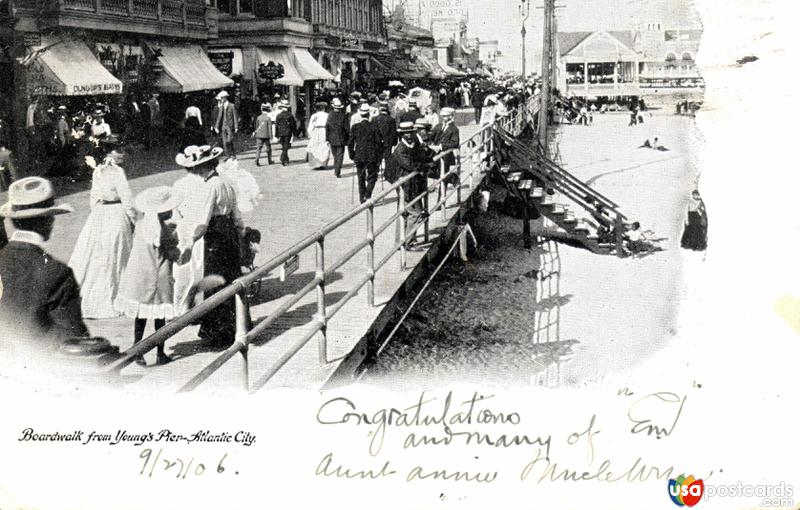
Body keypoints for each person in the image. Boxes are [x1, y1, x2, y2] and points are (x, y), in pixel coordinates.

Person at [0, 177, 89, 345]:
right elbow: (73, 339)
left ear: (12, 219)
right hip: (40, 362)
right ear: (48, 220)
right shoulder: (57, 272)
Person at [175, 145, 243, 346]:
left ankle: (218, 332)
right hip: (229, 231)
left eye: (197, 167)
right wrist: (240, 232)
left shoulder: (210, 186)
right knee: (231, 276)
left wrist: (190, 243)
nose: (195, 171)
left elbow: (203, 221)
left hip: (216, 234)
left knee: (215, 279)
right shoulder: (226, 182)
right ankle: (235, 324)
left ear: (203, 167)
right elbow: (236, 214)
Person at [114, 186, 182, 366]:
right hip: (158, 277)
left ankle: (138, 351)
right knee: (160, 318)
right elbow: (173, 253)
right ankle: (160, 353)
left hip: (139, 277)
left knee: (141, 317)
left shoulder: (141, 226)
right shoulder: (165, 231)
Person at [68, 150, 136, 319]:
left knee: (97, 256)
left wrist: (97, 216)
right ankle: (113, 299)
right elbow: (126, 198)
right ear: (111, 155)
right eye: (119, 152)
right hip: (115, 212)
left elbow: (94, 196)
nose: (123, 155)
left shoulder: (98, 170)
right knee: (116, 255)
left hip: (100, 213)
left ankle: (92, 299)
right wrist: (135, 219)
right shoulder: (118, 172)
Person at [390, 121, 426, 250]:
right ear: (401, 135)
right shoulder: (400, 150)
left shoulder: (411, 146)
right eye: (406, 133)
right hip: (406, 186)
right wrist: (423, 166)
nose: (409, 135)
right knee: (415, 213)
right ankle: (407, 242)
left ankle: (400, 241)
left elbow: (420, 158)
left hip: (412, 186)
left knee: (405, 213)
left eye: (411, 133)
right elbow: (410, 165)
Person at [348, 103, 383, 203]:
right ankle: (367, 194)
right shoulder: (375, 127)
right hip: (372, 155)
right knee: (372, 176)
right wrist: (379, 157)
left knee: (360, 177)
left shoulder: (355, 127)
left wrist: (352, 155)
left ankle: (361, 198)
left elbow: (350, 143)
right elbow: (378, 143)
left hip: (359, 155)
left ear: (361, 115)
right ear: (368, 115)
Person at [430, 107, 460, 187]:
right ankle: (451, 178)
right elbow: (431, 136)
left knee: (443, 173)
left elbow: (455, 143)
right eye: (443, 116)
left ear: (451, 116)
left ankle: (442, 194)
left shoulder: (454, 129)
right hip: (435, 153)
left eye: (446, 116)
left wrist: (441, 146)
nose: (444, 118)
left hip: (446, 155)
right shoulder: (438, 126)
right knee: (431, 171)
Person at [326, 97, 349, 178]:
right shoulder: (343, 116)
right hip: (341, 138)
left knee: (335, 154)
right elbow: (346, 128)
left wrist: (327, 138)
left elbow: (327, 127)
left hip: (332, 138)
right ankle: (337, 170)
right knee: (340, 155)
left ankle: (336, 167)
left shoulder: (330, 115)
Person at [213, 90, 238, 157]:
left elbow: (235, 117)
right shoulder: (221, 107)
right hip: (223, 126)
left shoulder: (232, 106)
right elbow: (219, 117)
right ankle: (228, 156)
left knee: (229, 141)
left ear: (225, 98)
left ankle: (232, 153)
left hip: (230, 126)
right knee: (224, 143)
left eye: (221, 98)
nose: (220, 100)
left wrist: (236, 127)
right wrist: (216, 126)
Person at [306, 102, 330, 170]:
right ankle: (323, 163)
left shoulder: (314, 115)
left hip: (316, 130)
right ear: (324, 108)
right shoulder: (327, 115)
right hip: (324, 130)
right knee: (324, 147)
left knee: (316, 147)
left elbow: (311, 125)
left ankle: (316, 163)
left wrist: (310, 133)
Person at [274, 99, 296, 167]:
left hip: (281, 132)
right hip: (287, 132)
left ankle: (285, 158)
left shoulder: (278, 115)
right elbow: (293, 125)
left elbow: (276, 125)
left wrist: (276, 134)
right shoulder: (290, 115)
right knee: (286, 145)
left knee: (284, 145)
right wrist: (294, 133)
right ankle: (283, 158)